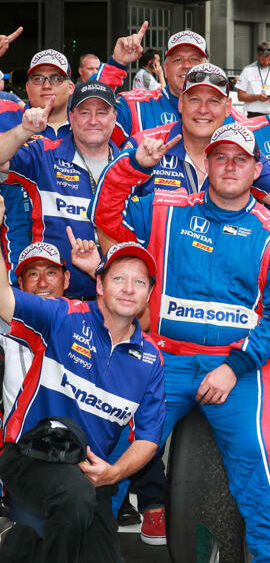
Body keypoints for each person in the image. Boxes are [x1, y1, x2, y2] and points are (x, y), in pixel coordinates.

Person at [89, 123, 270, 562]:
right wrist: (133, 165)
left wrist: (233, 367)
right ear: (205, 163)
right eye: (220, 157)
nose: (229, 166)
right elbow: (105, 215)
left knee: (260, 469)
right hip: (163, 360)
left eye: (240, 159)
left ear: (256, 168)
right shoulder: (166, 210)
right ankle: (84, 550)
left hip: (238, 369)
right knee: (113, 452)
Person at [0, 233, 164, 563]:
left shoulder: (152, 361)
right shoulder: (64, 316)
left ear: (149, 294)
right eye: (119, 278)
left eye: (139, 282)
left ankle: (18, 543)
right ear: (100, 285)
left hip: (91, 476)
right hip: (29, 457)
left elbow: (148, 439)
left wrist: (115, 473)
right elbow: (4, 301)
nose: (129, 288)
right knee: (73, 498)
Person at [118, 62, 270, 217]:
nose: (203, 109)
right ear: (180, 103)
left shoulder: (244, 149)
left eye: (213, 101)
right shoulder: (143, 145)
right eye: (195, 99)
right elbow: (112, 209)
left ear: (228, 107)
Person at [0, 81, 119, 299]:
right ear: (71, 118)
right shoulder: (45, 153)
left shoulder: (131, 165)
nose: (93, 121)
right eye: (84, 112)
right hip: (52, 302)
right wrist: (24, 130)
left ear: (114, 118)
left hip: (112, 304)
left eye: (102, 112)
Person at [93, 23, 243, 145]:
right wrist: (117, 65)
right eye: (178, 59)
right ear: (164, 69)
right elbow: (91, 118)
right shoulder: (135, 107)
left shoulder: (232, 118)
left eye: (194, 59)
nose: (186, 65)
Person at [0, 240, 100, 416]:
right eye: (33, 274)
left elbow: (128, 314)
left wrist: (95, 271)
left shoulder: (86, 322)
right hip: (17, 440)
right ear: (21, 284)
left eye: (51, 272)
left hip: (74, 440)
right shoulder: (5, 329)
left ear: (66, 279)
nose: (43, 283)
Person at [236, 41, 270, 118]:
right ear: (257, 55)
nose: (266, 63)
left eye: (269, 60)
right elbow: (240, 96)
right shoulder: (247, 70)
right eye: (263, 60)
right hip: (254, 115)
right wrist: (257, 97)